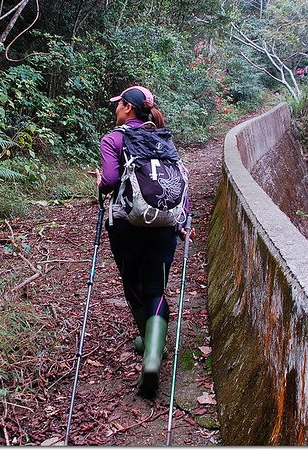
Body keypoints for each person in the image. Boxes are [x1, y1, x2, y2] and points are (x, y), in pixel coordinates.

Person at [89, 85, 194, 396]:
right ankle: (152, 355)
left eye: (118, 104)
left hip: (126, 225)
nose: (115, 109)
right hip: (164, 225)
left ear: (128, 108)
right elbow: (176, 181)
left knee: (133, 284)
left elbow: (109, 181)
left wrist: (99, 181)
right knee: (156, 289)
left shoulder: (113, 139)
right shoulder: (164, 138)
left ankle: (149, 345)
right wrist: (183, 222)